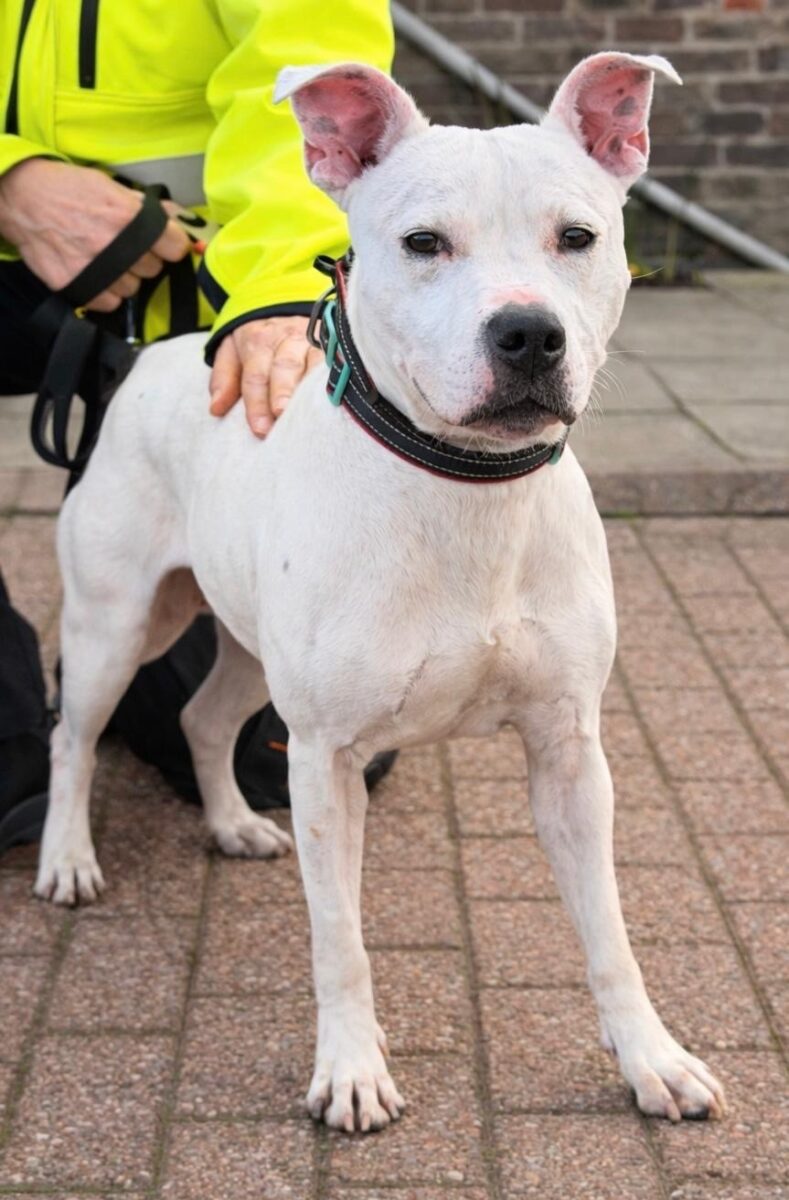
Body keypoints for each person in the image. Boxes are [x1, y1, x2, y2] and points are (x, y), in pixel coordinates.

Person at [0, 0, 396, 855]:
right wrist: (9, 178)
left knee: (279, 742)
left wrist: (286, 285)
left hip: (189, 275)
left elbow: (309, 65)